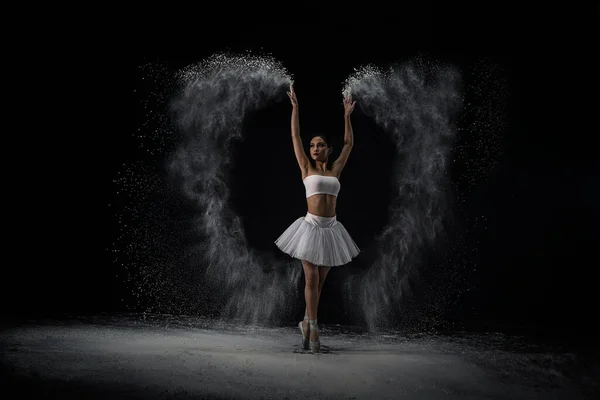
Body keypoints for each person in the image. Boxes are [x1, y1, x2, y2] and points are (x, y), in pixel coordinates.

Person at [274, 84, 360, 353]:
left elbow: (348, 143)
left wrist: (347, 116)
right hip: (310, 227)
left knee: (320, 282)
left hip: (331, 230)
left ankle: (305, 323)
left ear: (328, 149)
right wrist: (295, 108)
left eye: (320, 145)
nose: (314, 148)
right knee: (311, 279)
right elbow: (295, 135)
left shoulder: (335, 170)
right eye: (312, 145)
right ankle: (313, 327)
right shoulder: (305, 167)